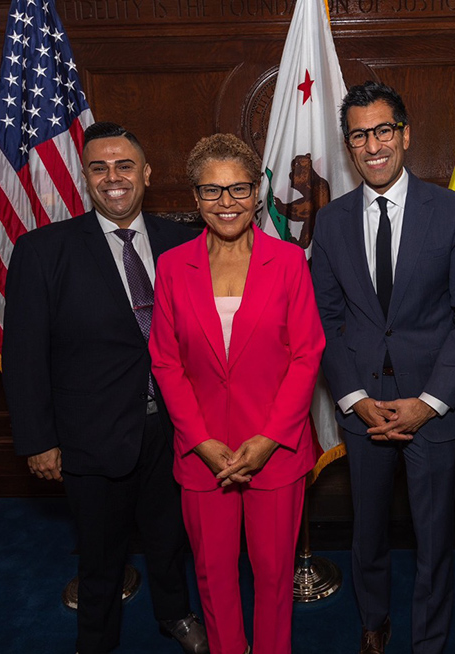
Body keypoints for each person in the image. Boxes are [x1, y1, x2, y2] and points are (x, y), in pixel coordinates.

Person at [3, 122, 208, 654]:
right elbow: (23, 355)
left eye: (123, 166)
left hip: (175, 428)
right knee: (98, 556)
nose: (112, 177)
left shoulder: (185, 241)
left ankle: (176, 614)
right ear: (85, 178)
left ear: (145, 174)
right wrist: (37, 440)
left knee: (169, 538)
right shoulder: (43, 250)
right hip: (90, 436)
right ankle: (95, 640)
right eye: (99, 167)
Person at [310, 81, 455, 654]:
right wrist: (354, 399)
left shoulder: (454, 212)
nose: (373, 144)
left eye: (383, 130)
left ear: (405, 135)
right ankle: (373, 624)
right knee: (367, 533)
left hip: (434, 409)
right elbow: (326, 319)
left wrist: (429, 402)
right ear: (349, 146)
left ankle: (430, 640)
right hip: (362, 405)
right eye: (360, 134)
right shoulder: (332, 221)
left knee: (434, 538)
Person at [149, 133, 326, 654]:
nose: (226, 203)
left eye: (238, 189)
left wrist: (270, 438)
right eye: (212, 191)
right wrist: (201, 442)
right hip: (203, 456)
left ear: (256, 192)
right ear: (195, 198)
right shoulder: (172, 267)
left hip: (275, 451)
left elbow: (306, 355)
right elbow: (165, 361)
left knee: (274, 580)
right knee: (213, 579)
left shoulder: (290, 263)